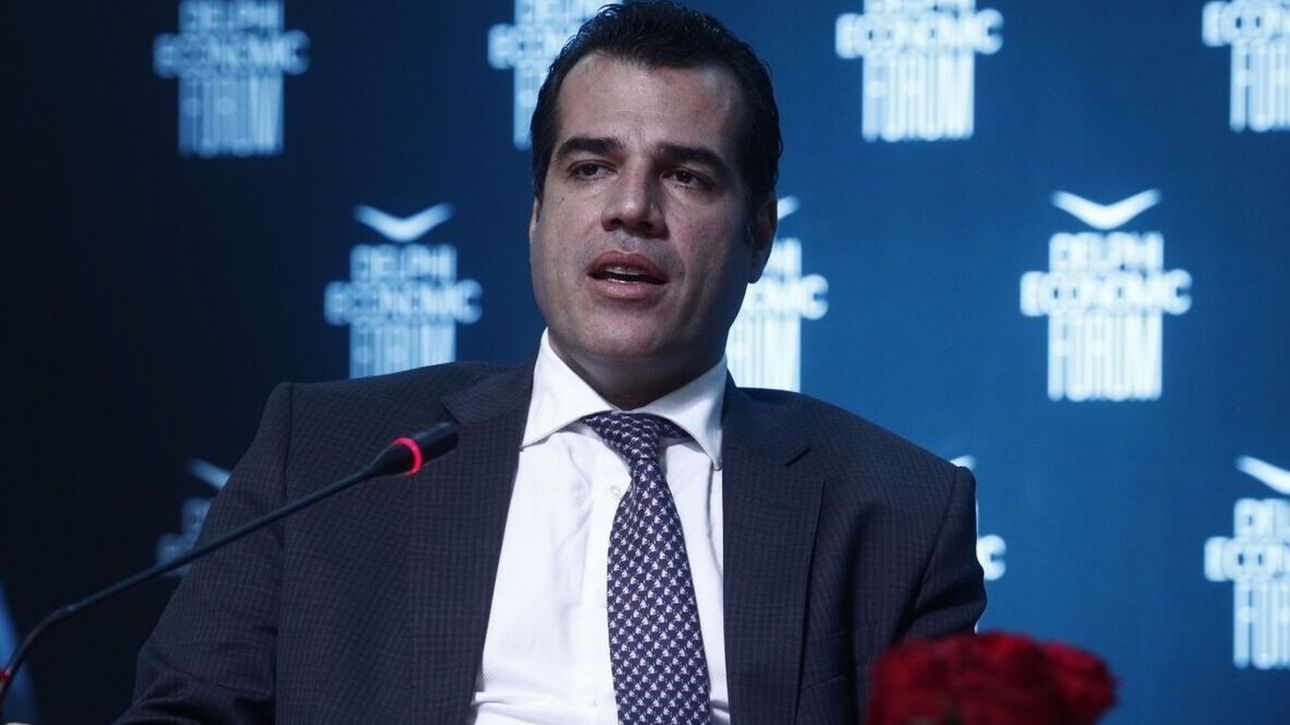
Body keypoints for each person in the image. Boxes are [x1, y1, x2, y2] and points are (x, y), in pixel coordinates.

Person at [120, 3, 985, 723]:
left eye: (686, 176)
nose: (632, 208)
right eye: (591, 166)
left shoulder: (896, 513)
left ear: (758, 235)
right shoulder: (325, 454)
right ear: (537, 213)